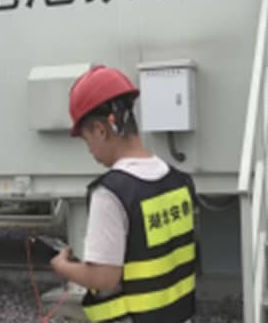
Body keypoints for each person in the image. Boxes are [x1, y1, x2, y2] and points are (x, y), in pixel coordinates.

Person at [50, 65, 197, 323]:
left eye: (86, 140)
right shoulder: (180, 181)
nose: (90, 151)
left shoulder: (110, 193)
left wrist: (63, 266)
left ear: (101, 130)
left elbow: (104, 278)